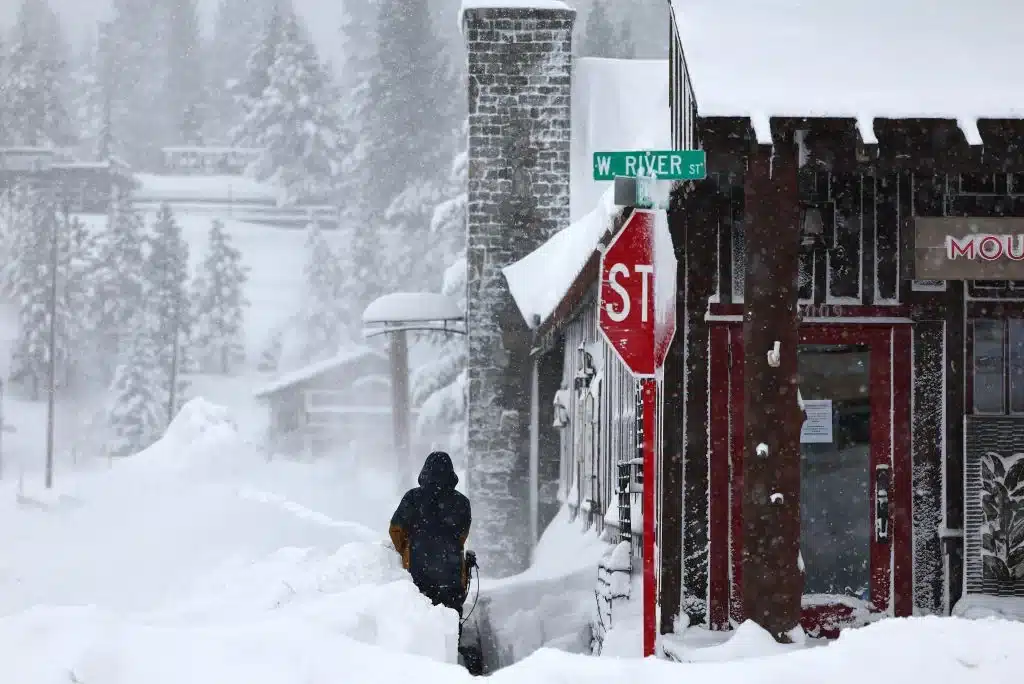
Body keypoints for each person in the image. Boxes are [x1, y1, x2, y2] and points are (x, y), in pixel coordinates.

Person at [389, 451, 472, 617]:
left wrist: (407, 549)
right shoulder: (461, 502)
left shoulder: (412, 497)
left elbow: (396, 530)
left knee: (419, 617)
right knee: (450, 618)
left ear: (425, 471)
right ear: (451, 473)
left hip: (417, 571)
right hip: (452, 574)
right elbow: (463, 535)